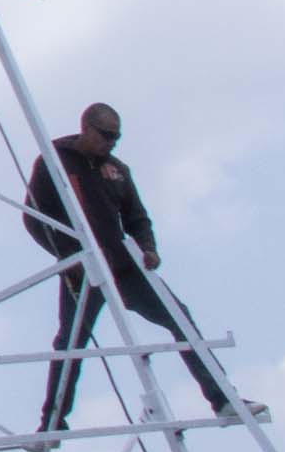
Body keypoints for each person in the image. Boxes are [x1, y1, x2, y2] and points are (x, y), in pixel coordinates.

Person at [24, 101, 266, 431]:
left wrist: (148, 249)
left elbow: (137, 218)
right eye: (106, 135)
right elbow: (33, 218)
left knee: (179, 317)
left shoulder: (117, 170)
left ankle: (223, 400)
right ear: (87, 128)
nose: (111, 143)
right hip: (85, 270)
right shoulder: (54, 161)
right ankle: (52, 422)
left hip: (124, 267)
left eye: (117, 137)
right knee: (71, 342)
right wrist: (68, 256)